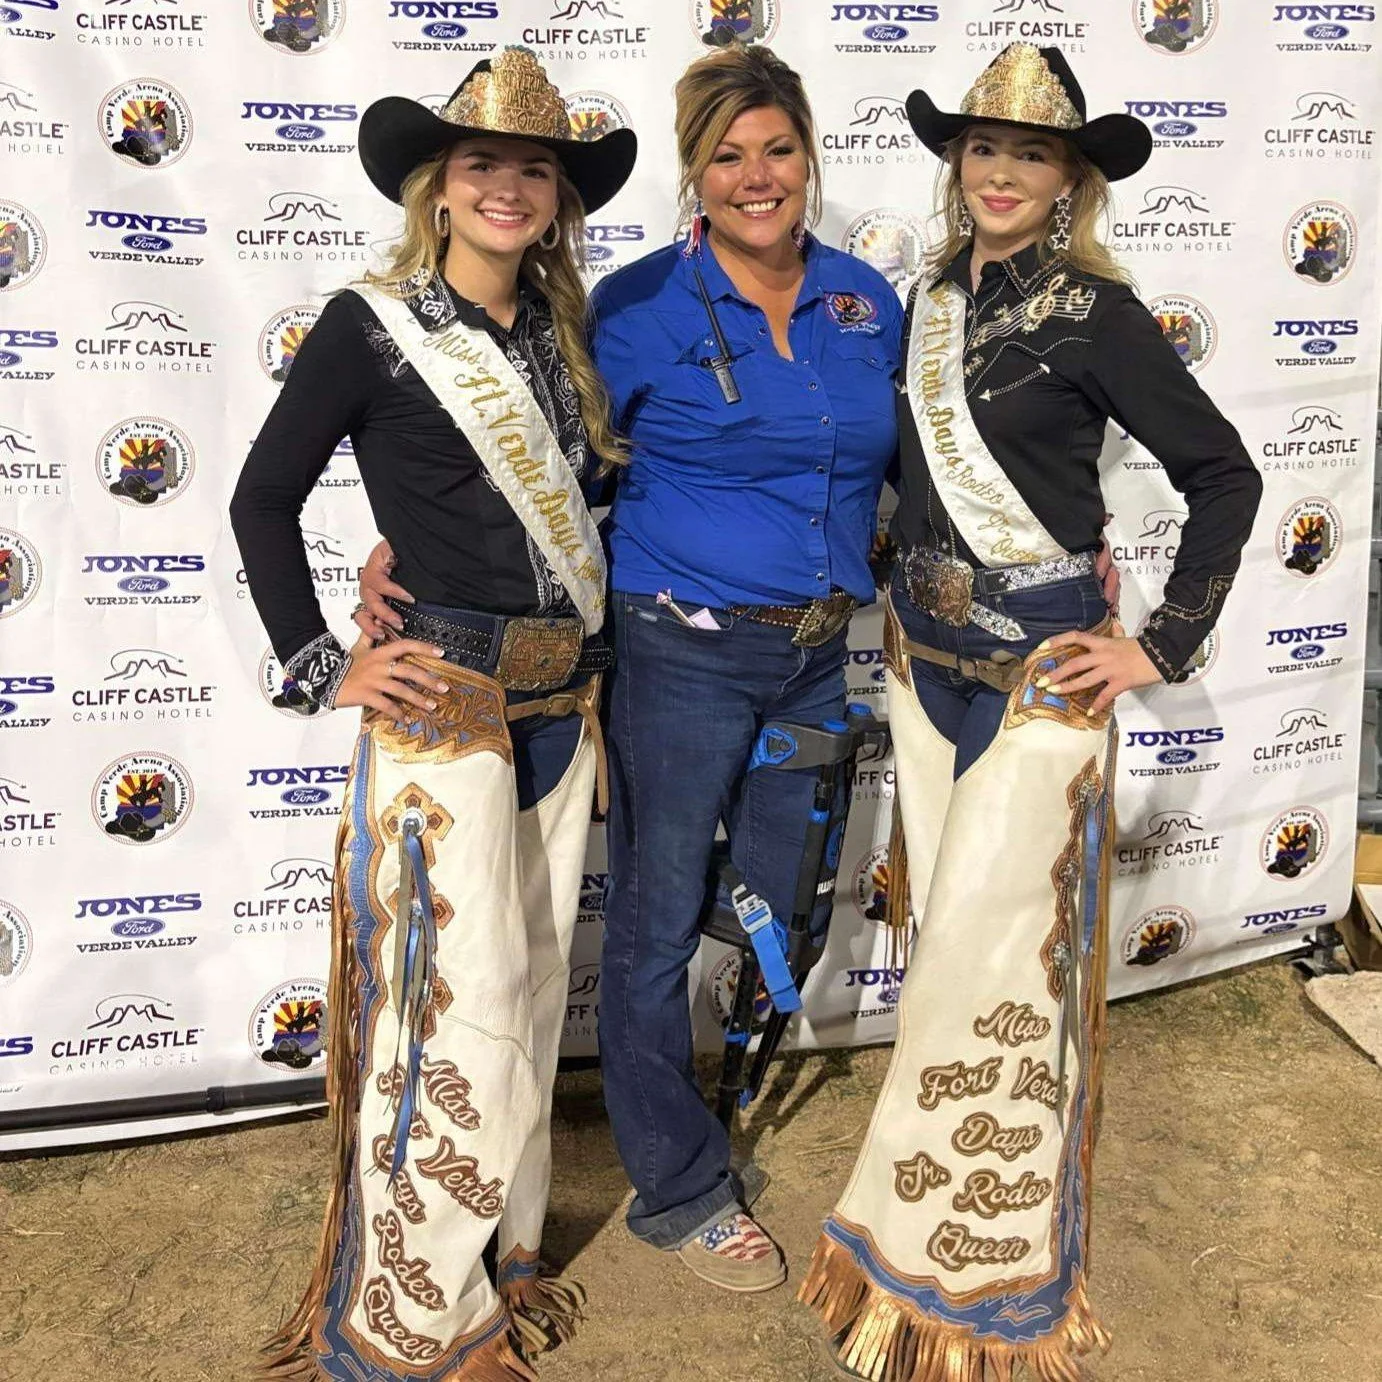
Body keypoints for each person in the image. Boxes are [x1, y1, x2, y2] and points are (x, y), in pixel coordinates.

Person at [357, 43, 905, 1294]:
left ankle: (708, 1092)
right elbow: (542, 461)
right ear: (692, 174)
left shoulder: (865, 299)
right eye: (726, 155)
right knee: (653, 923)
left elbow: (910, 463)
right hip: (677, 656)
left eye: (776, 148)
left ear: (808, 155)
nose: (755, 176)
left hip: (816, 662)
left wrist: (1075, 540)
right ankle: (679, 1184)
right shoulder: (635, 305)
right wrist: (407, 553)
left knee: (775, 908)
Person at [799, 44, 1262, 1380]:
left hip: (1038, 675)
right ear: (958, 163)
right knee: (954, 941)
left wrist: (1156, 642)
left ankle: (971, 1257)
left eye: (1032, 155)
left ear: (1069, 180)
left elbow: (1223, 477)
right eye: (983, 148)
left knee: (992, 956)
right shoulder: (926, 297)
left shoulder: (1098, 314)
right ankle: (920, 1211)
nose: (1000, 173)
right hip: (922, 664)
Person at [229, 47, 636, 1381]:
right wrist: (319, 663)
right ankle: (415, 1316)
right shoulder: (370, 324)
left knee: (529, 989)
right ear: (439, 187)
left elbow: (567, 512)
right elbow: (259, 499)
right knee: (447, 1008)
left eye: (535, 170)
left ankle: (502, 1252)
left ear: (556, 198)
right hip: (442, 699)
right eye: (482, 165)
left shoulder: (563, 333)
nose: (509, 188)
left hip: (562, 699)